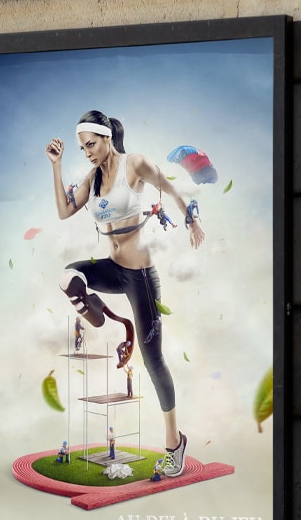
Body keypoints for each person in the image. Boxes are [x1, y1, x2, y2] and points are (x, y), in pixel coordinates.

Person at [45, 110, 204, 477]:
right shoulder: (92, 178)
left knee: (153, 360)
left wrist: (191, 218)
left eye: (91, 144)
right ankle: (99, 313)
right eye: (82, 147)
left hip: (139, 277)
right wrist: (56, 166)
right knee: (68, 276)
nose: (86, 152)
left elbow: (171, 187)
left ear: (106, 138)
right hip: (112, 269)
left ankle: (174, 443)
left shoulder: (135, 165)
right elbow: (64, 211)